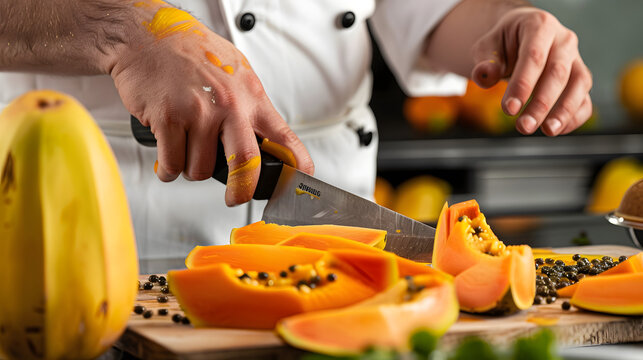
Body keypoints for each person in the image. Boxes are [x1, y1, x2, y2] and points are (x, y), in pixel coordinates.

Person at [0, 0, 592, 271]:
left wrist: (504, 24)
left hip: (331, 240)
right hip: (87, 244)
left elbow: (433, 12)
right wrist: (124, 33)